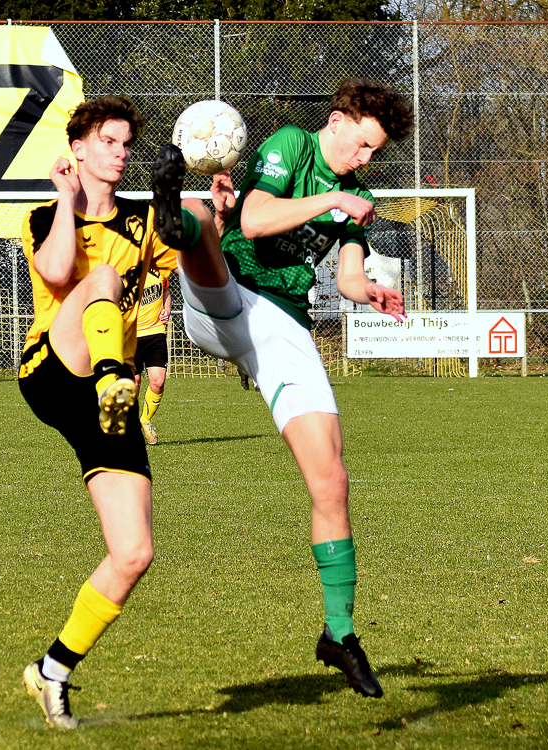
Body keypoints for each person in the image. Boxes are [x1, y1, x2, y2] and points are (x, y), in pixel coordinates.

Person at [152, 78, 412, 698]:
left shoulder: (358, 194)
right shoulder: (294, 145)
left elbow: (347, 277)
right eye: (362, 145)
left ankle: (339, 633)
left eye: (374, 153)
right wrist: (330, 201)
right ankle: (171, 216)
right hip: (228, 299)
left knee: (332, 479)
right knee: (201, 219)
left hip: (282, 329)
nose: (364, 159)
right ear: (338, 120)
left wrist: (370, 292)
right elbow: (255, 219)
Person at [16, 95, 216, 729]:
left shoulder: (142, 219)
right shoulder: (44, 215)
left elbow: (195, 260)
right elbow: (55, 274)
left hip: (111, 393)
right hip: (55, 370)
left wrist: (210, 216)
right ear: (77, 149)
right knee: (101, 278)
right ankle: (112, 379)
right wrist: (66, 200)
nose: (121, 153)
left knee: (133, 552)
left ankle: (52, 670)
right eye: (108, 141)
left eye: (127, 143)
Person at [133, 267, 173, 444]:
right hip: (130, 335)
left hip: (156, 332)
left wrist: (167, 309)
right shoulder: (124, 269)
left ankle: (146, 420)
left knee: (158, 382)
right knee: (133, 383)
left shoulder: (161, 269)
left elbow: (166, 292)